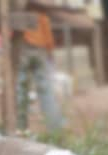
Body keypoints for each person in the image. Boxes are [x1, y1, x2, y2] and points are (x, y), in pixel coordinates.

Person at [14, 4, 64, 133]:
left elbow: (10, 34)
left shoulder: (18, 15)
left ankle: (21, 128)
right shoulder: (42, 16)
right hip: (40, 53)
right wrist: (50, 54)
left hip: (23, 52)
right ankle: (55, 127)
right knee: (46, 91)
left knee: (21, 90)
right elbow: (49, 40)